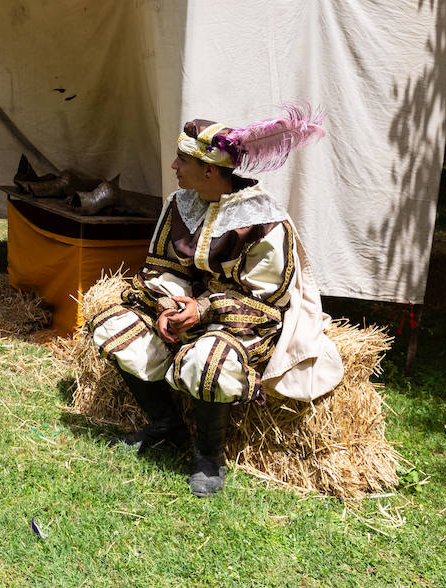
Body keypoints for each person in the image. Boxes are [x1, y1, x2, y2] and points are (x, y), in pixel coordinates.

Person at [88, 108, 342, 497]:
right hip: (185, 309)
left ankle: (208, 456)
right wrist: (169, 306)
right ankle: (164, 424)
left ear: (209, 169)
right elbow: (162, 267)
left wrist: (204, 310)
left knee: (210, 363)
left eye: (183, 160)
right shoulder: (180, 203)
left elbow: (268, 302)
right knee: (112, 324)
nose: (174, 166)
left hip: (242, 323)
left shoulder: (265, 222)